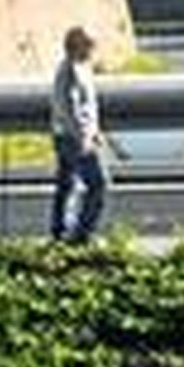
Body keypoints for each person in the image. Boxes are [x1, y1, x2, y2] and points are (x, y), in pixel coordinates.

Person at [48, 26, 107, 243]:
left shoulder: (80, 68)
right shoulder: (70, 70)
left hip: (67, 136)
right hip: (74, 138)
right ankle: (82, 234)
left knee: (66, 184)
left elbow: (87, 107)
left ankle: (60, 231)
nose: (93, 49)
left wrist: (95, 130)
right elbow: (68, 108)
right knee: (98, 184)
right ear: (77, 46)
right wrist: (84, 137)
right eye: (90, 44)